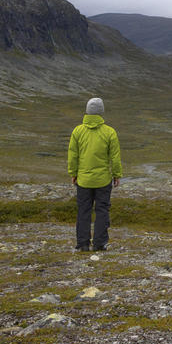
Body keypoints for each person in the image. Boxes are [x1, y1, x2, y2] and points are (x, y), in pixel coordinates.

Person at [67, 97, 122, 252]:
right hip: (103, 180)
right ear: (101, 112)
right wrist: (116, 175)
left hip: (83, 180)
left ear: (87, 111)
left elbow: (73, 155)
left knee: (83, 211)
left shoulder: (78, 131)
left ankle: (83, 244)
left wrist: (73, 173)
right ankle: (99, 243)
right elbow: (115, 157)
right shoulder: (109, 132)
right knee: (102, 210)